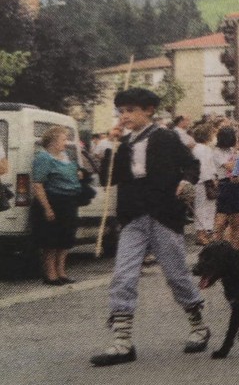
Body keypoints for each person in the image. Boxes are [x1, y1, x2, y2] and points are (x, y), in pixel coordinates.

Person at [90, 88, 210, 366]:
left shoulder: (166, 137)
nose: (125, 116)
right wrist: (111, 145)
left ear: (148, 111)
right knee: (123, 274)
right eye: (121, 111)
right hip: (133, 217)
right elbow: (108, 179)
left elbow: (191, 164)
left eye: (131, 110)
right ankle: (122, 342)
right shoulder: (123, 143)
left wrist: (187, 181)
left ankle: (199, 327)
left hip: (164, 214)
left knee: (176, 275)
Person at [31, 126, 82, 286]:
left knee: (66, 239)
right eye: (63, 139)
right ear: (52, 141)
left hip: (68, 202)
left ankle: (61, 271)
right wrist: (47, 208)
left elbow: (71, 174)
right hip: (53, 200)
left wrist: (77, 174)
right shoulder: (43, 157)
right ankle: (50, 274)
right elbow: (38, 184)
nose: (66, 143)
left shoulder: (65, 156)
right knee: (51, 240)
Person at [211, 126, 239, 246]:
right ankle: (216, 245)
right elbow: (231, 166)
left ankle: (234, 247)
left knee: (236, 220)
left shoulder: (231, 150)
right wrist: (236, 154)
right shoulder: (217, 152)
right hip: (224, 185)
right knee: (221, 220)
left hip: (235, 185)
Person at [191, 123, 217, 246]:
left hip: (201, 181)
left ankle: (205, 233)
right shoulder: (203, 149)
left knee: (205, 208)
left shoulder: (199, 148)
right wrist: (211, 180)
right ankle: (202, 234)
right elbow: (204, 167)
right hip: (204, 182)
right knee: (203, 208)